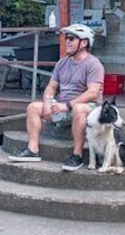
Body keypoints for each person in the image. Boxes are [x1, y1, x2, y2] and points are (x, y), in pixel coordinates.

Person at [8, 23, 105, 171]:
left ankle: (77, 155)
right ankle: (32, 150)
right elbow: (51, 87)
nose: (67, 41)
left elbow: (93, 92)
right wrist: (47, 102)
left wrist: (67, 105)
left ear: (84, 43)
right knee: (33, 107)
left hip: (88, 107)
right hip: (62, 106)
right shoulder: (62, 63)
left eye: (71, 38)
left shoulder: (93, 64)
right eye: (66, 38)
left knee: (79, 108)